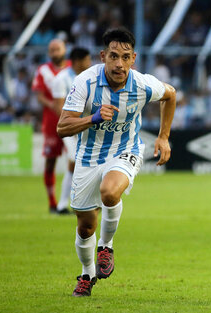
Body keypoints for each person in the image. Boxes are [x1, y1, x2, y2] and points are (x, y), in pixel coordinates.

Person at [57, 27, 176, 297]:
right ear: (103, 56)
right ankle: (87, 274)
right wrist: (94, 118)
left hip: (126, 150)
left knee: (110, 192)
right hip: (87, 157)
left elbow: (171, 95)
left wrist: (164, 137)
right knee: (85, 225)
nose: (119, 64)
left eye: (125, 57)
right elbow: (62, 127)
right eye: (113, 56)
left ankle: (106, 246)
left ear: (133, 58)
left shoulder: (143, 84)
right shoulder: (84, 82)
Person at [31, 38, 71, 214]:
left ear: (65, 49)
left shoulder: (72, 68)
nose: (55, 53)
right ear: (49, 53)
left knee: (77, 161)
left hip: (72, 122)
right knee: (50, 162)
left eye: (58, 49)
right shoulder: (43, 70)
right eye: (52, 50)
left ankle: (74, 201)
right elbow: (39, 96)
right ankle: (52, 202)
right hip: (51, 123)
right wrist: (54, 105)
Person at [51, 47, 92, 214]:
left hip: (87, 126)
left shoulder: (90, 77)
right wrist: (75, 124)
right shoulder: (61, 79)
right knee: (74, 160)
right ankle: (63, 203)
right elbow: (58, 107)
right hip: (70, 128)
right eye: (87, 60)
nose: (89, 63)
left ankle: (68, 204)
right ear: (77, 61)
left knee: (78, 163)